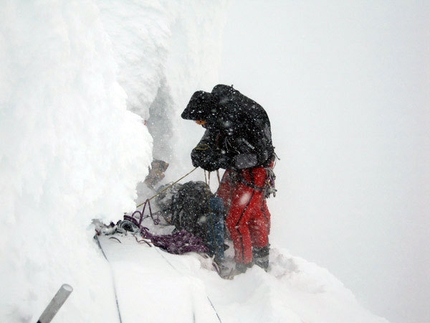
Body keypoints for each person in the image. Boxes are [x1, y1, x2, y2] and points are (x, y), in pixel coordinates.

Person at [181, 84, 276, 274]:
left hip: (255, 170)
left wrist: (221, 160)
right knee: (239, 207)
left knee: (238, 220)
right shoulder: (220, 109)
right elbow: (214, 130)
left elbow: (259, 156)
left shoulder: (238, 119)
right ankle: (259, 254)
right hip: (241, 168)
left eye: (201, 121)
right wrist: (202, 150)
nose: (201, 125)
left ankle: (245, 267)